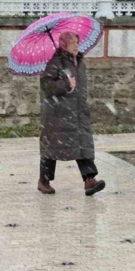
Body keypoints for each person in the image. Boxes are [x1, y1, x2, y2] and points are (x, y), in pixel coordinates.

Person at [38, 32, 106, 196]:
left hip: (78, 111)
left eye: (77, 41)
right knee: (52, 147)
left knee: (82, 143)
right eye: (72, 42)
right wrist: (65, 84)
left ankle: (90, 180)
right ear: (62, 44)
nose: (76, 45)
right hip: (57, 113)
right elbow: (46, 86)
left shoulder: (80, 61)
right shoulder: (54, 62)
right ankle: (44, 181)